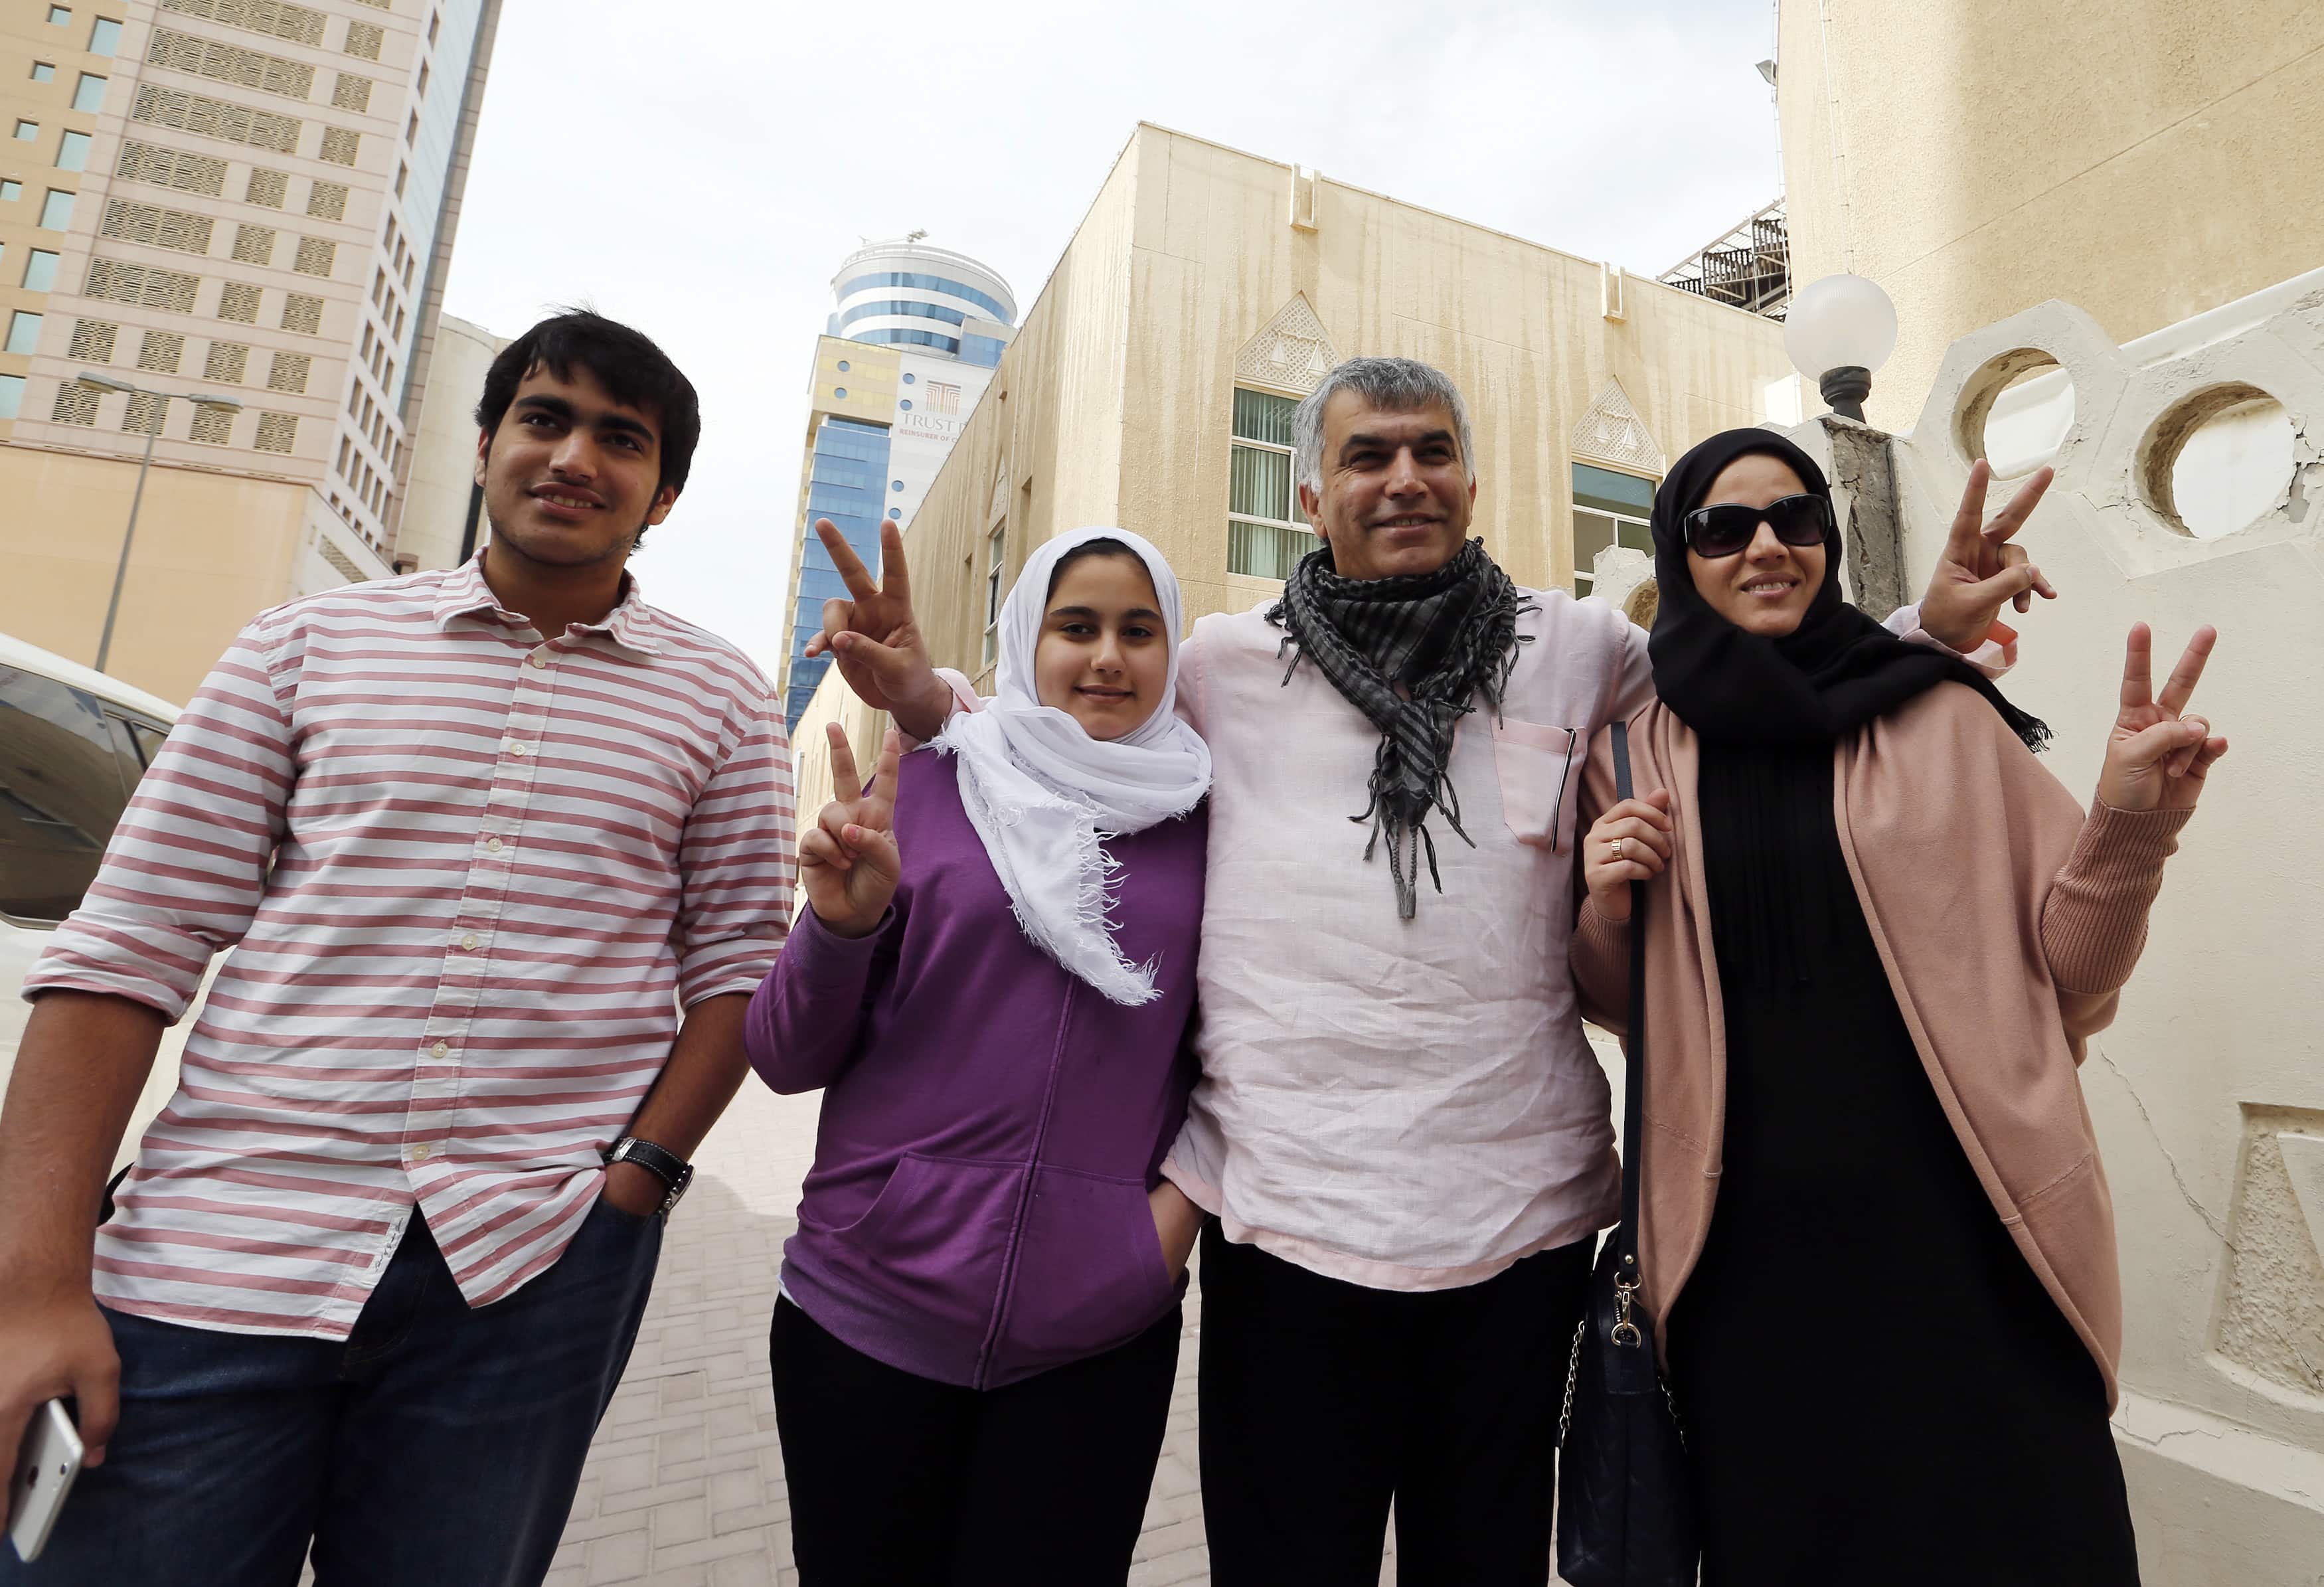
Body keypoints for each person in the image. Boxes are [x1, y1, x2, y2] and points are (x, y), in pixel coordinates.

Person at [802, 357, 2049, 1584]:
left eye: (1432, 451)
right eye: (1367, 455)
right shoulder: (1222, 667)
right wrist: (922, 696)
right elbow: (1067, 722)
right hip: (1286, 1223)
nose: (1406, 479)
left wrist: (1920, 631)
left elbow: (1755, 676)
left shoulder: (1577, 647)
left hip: (1518, 1230)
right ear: (1310, 497)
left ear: (1470, 478)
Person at [0, 311, 795, 1586]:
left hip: (531, 1268)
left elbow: (739, 969)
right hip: (222, 1251)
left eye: (622, 438)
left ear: (665, 492)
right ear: (485, 445)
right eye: (544, 419)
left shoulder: (720, 700)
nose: (575, 456)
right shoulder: (304, 646)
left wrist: (636, 1181)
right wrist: (33, 1286)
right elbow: (130, 946)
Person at [1572, 428, 2224, 1584]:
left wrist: (2133, 824)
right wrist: (1608, 900)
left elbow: (2074, 975)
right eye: (1725, 528)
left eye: (1798, 520)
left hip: (1976, 1246)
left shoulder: (1943, 713)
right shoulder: (1635, 757)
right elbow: (1620, 1004)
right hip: (1746, 1277)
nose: (1767, 547)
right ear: (1680, 557)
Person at [750, 527, 1209, 1586]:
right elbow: (781, 1054)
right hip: (866, 1308)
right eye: (1076, 626)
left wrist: (1157, 1237)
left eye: (1138, 631)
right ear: (1026, 638)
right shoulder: (932, 781)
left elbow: (1233, 1049)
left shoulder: (1203, 815)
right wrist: (838, 928)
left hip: (1097, 1336)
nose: (1107, 657)